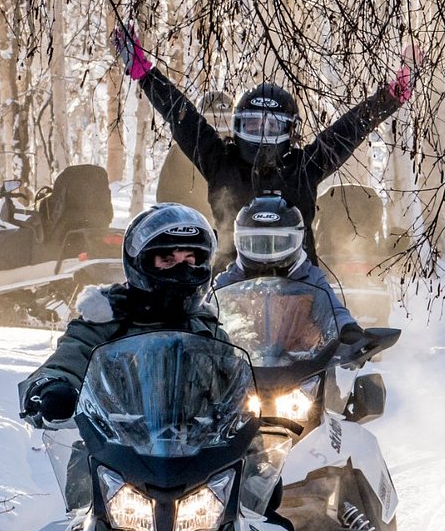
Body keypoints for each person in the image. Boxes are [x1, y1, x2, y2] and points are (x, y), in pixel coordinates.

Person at [111, 22, 415, 265]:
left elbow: (347, 130)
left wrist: (390, 97)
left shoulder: (305, 165)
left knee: (336, 326)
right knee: (199, 323)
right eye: (253, 124)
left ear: (290, 130)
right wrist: (145, 74)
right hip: (231, 275)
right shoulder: (220, 160)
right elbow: (184, 119)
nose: (262, 133)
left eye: (272, 126)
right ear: (238, 126)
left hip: (299, 278)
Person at [19, 203, 225, 426]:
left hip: (201, 454)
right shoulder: (104, 323)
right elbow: (65, 364)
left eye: (189, 260)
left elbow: (241, 387)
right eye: (168, 260)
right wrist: (51, 389)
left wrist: (264, 392)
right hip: (111, 451)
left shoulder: (207, 330)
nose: (181, 270)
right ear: (141, 262)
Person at [213, 195, 366, 344]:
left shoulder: (311, 279)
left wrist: (347, 330)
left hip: (304, 365)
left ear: (299, 239)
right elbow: (205, 318)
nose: (268, 253)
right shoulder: (227, 282)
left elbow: (332, 313)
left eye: (278, 243)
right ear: (239, 240)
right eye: (257, 243)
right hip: (239, 365)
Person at [146, 89, 235, 223]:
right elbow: (166, 197)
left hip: (233, 231)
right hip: (192, 226)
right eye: (212, 120)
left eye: (225, 122)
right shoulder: (181, 153)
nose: (218, 128)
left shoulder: (240, 154)